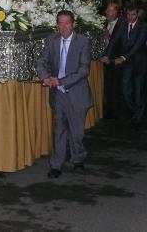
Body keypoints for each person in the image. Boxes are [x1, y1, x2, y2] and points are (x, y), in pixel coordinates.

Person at [36, 10, 93, 178]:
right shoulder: (52, 40)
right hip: (58, 95)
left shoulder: (83, 42)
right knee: (59, 130)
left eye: (67, 23)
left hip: (76, 93)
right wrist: (45, 77)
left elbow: (84, 70)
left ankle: (78, 159)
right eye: (60, 23)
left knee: (77, 132)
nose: (64, 27)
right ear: (57, 25)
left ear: (74, 24)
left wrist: (60, 81)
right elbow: (42, 61)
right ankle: (56, 165)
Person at [105, 5, 147, 128]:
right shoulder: (123, 23)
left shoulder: (143, 26)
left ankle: (137, 117)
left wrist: (123, 57)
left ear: (137, 14)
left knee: (138, 90)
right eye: (128, 15)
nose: (130, 17)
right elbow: (114, 40)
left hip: (139, 62)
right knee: (125, 90)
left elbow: (137, 45)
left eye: (133, 15)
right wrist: (107, 55)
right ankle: (136, 111)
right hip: (128, 63)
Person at [100, 2, 125, 119]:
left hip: (116, 60)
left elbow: (120, 43)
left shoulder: (121, 24)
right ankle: (109, 111)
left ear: (116, 12)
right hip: (106, 60)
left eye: (110, 10)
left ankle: (117, 112)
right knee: (108, 87)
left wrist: (108, 37)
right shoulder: (104, 23)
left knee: (116, 87)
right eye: (107, 10)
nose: (107, 12)